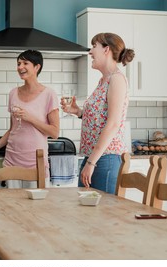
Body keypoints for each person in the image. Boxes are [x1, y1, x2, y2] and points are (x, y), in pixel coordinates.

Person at [61, 32, 135, 194]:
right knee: (87, 214)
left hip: (106, 158)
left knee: (103, 215)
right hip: (94, 157)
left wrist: (91, 163)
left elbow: (114, 123)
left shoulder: (117, 79)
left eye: (94, 46)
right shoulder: (103, 80)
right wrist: (78, 112)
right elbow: (101, 117)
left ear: (106, 49)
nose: (90, 52)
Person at [0, 50, 60, 188]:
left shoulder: (48, 94)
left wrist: (30, 118)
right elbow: (12, 130)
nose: (20, 67)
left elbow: (55, 133)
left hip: (35, 162)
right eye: (18, 63)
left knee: (35, 208)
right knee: (12, 206)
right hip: (11, 160)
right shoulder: (13, 93)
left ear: (37, 67)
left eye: (25, 63)